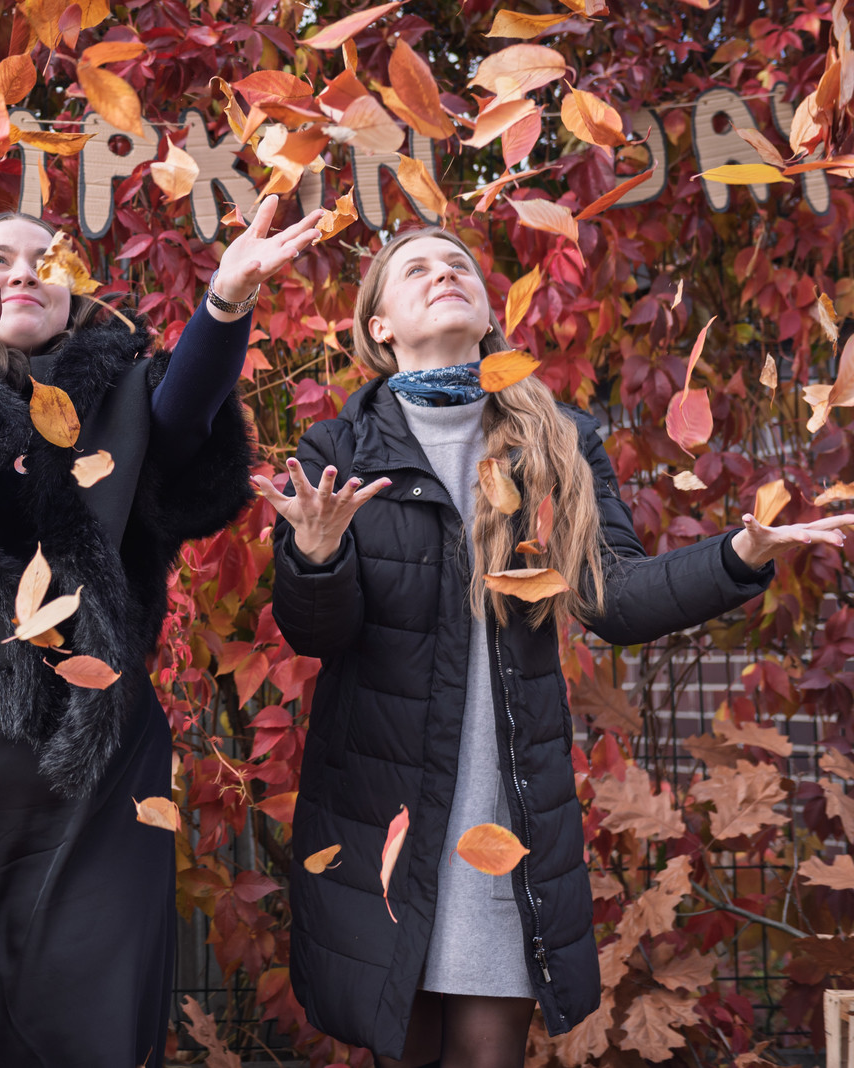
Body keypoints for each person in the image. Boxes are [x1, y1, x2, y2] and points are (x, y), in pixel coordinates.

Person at [256, 226, 854, 1068]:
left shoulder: (554, 441)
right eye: (416, 268)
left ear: (488, 313)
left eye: (459, 265)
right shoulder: (338, 451)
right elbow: (320, 634)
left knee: (488, 1052)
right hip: (382, 811)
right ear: (379, 326)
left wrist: (737, 555)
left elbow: (615, 597)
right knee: (401, 1045)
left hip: (503, 814)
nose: (444, 274)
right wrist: (316, 557)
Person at [0, 144, 323, 1067]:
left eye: (44, 260)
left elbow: (182, 413)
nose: (22, 273)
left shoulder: (125, 389)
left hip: (93, 754)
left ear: (81, 295)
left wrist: (227, 299)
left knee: (94, 1007)